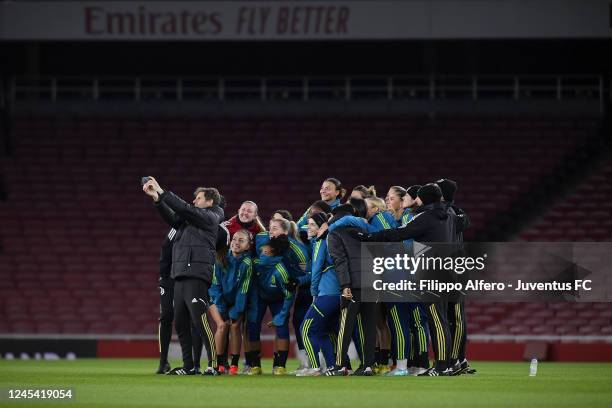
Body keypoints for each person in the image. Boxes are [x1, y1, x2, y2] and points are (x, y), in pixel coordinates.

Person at [355, 183, 468, 376]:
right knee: (443, 321)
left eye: (418, 197)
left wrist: (370, 237)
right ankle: (447, 364)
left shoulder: (424, 217)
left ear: (423, 198)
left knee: (436, 321)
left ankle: (441, 367)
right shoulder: (449, 216)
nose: (415, 199)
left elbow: (399, 234)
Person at [143, 177, 223, 375]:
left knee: (200, 320)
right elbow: (173, 218)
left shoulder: (213, 216)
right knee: (180, 322)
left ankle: (213, 365)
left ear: (210, 201)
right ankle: (188, 366)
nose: (194, 200)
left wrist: (162, 191)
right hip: (179, 274)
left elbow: (185, 209)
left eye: (198, 198)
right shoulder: (189, 220)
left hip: (196, 275)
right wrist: (157, 200)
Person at [327, 198, 378, 376]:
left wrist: (345, 285)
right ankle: (368, 365)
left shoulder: (334, 233)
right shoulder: (366, 230)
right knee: (370, 325)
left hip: (353, 285)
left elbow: (340, 261)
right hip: (374, 282)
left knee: (345, 325)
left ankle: (340, 365)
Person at [436, 178, 476, 376]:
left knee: (456, 316)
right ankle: (458, 359)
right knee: (453, 316)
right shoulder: (456, 212)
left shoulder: (449, 213)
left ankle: (456, 359)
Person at [297, 212, 341, 376]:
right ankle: (331, 366)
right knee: (322, 331)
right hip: (336, 293)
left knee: (306, 328)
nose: (308, 228)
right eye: (308, 225)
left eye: (312, 225)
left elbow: (315, 271)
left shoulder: (321, 242)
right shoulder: (329, 240)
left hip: (327, 294)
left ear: (322, 227)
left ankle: (314, 367)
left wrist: (314, 293)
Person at [156, 227, 203, 374]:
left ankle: (195, 364)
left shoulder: (205, 227)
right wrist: (164, 276)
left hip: (191, 278)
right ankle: (163, 361)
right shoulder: (177, 227)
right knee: (166, 315)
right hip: (170, 279)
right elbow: (165, 247)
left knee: (194, 319)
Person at [268, 217, 312, 372]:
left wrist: (297, 281)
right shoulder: (275, 247)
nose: (271, 232)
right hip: (297, 286)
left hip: (309, 288)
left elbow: (311, 274)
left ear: (285, 231)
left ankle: (314, 362)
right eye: (270, 228)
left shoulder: (298, 249)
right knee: (298, 321)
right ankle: (305, 363)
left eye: (275, 228)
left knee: (304, 322)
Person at [247, 234, 295, 375]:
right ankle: (255, 365)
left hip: (278, 299)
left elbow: (288, 294)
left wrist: (282, 314)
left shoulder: (281, 271)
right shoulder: (255, 263)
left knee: (282, 327)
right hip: (259, 297)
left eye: (264, 250)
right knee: (253, 327)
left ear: (270, 251)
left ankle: (280, 366)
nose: (261, 251)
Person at [209, 229, 253, 375]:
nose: (236, 243)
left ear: (248, 246)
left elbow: (243, 290)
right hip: (217, 299)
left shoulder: (247, 263)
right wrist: (222, 309)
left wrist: (235, 311)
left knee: (235, 326)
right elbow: (215, 286)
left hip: (236, 302)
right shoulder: (220, 257)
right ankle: (219, 363)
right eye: (234, 239)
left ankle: (234, 364)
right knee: (222, 326)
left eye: (241, 240)